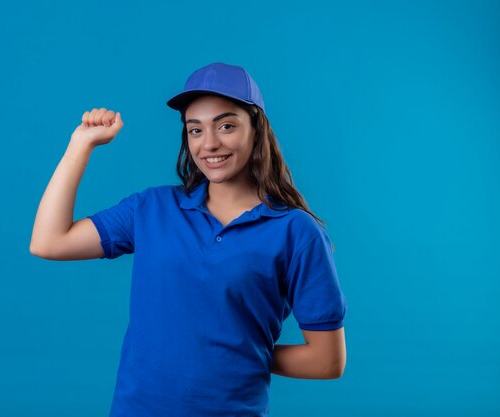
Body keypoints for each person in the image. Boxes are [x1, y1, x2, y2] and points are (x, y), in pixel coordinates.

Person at [30, 62, 348, 417]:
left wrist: (233, 353)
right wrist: (81, 145)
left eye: (226, 126)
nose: (210, 143)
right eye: (195, 130)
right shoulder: (152, 208)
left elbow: (326, 361)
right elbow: (49, 241)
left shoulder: (296, 231)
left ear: (256, 130)